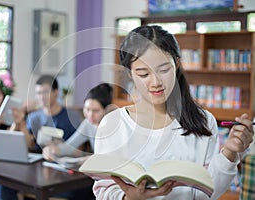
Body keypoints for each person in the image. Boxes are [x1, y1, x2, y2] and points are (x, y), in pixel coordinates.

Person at [92, 25, 254, 200]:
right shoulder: (113, 124)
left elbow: (207, 192)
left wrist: (230, 152)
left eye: (164, 70)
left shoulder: (203, 121)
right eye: (144, 74)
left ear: (176, 65)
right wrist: (128, 198)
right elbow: (103, 190)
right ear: (130, 74)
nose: (156, 82)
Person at [42, 83, 114, 160]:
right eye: (87, 109)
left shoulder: (113, 126)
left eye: (95, 111)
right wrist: (52, 149)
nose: (90, 115)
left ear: (106, 110)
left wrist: (89, 159)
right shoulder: (88, 124)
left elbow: (110, 157)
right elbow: (69, 146)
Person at [25, 74, 81, 153]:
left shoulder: (72, 116)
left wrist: (59, 150)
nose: (42, 97)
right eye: (38, 93)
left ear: (56, 92)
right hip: (39, 160)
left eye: (45, 92)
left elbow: (79, 149)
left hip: (64, 161)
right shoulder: (33, 117)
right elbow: (29, 145)